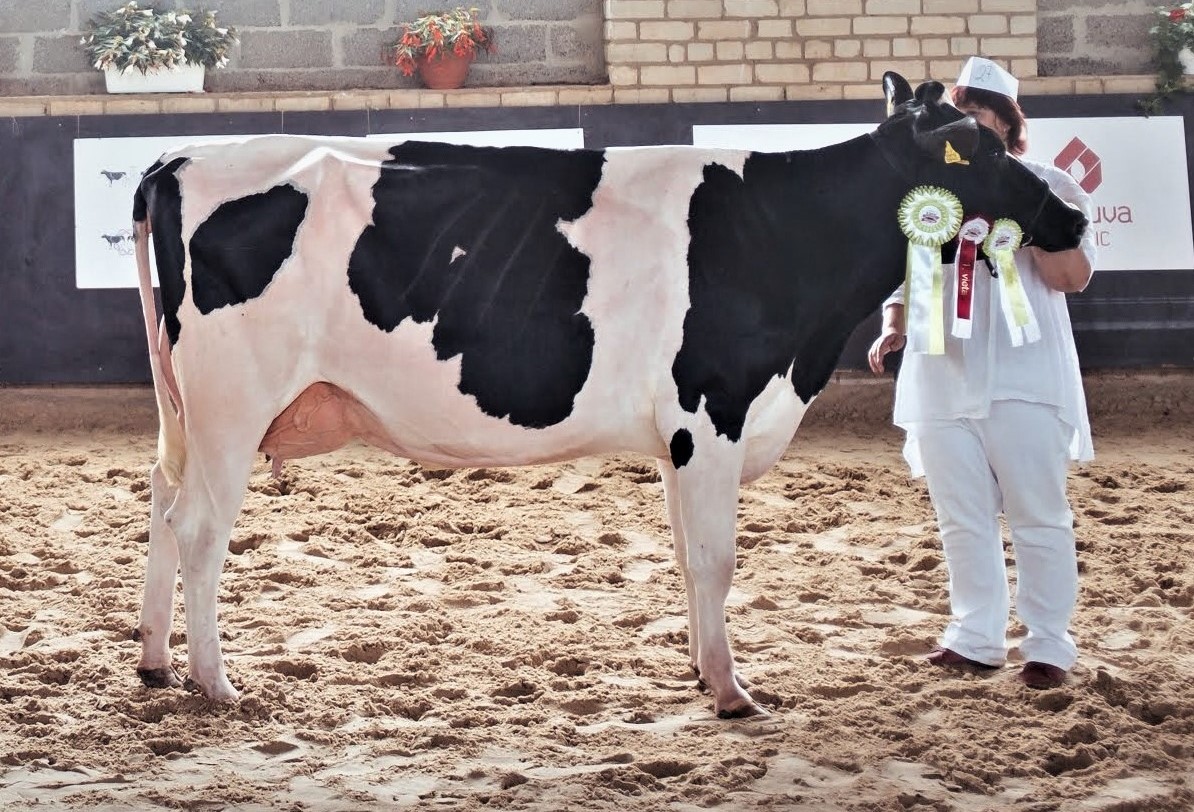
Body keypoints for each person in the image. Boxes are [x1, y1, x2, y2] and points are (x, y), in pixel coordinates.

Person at [867, 56, 1097, 690]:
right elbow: (907, 270)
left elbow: (1072, 277)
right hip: (941, 370)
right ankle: (975, 637)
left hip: (1024, 369)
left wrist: (1024, 217)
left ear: (1007, 123)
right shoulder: (929, 192)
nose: (964, 125)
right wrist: (894, 324)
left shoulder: (1049, 184)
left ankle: (1048, 643)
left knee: (1038, 512)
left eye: (976, 114)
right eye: (959, 113)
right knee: (961, 515)